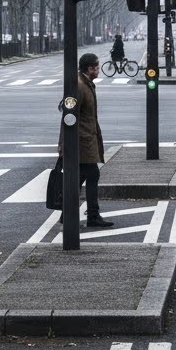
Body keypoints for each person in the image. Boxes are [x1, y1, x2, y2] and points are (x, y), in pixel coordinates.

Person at [61, 53, 113, 228]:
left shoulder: (85, 84)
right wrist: (62, 143)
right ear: (89, 68)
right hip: (81, 141)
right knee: (91, 174)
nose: (99, 71)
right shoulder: (79, 86)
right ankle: (92, 215)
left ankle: (67, 212)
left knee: (81, 177)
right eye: (97, 68)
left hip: (86, 138)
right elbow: (68, 115)